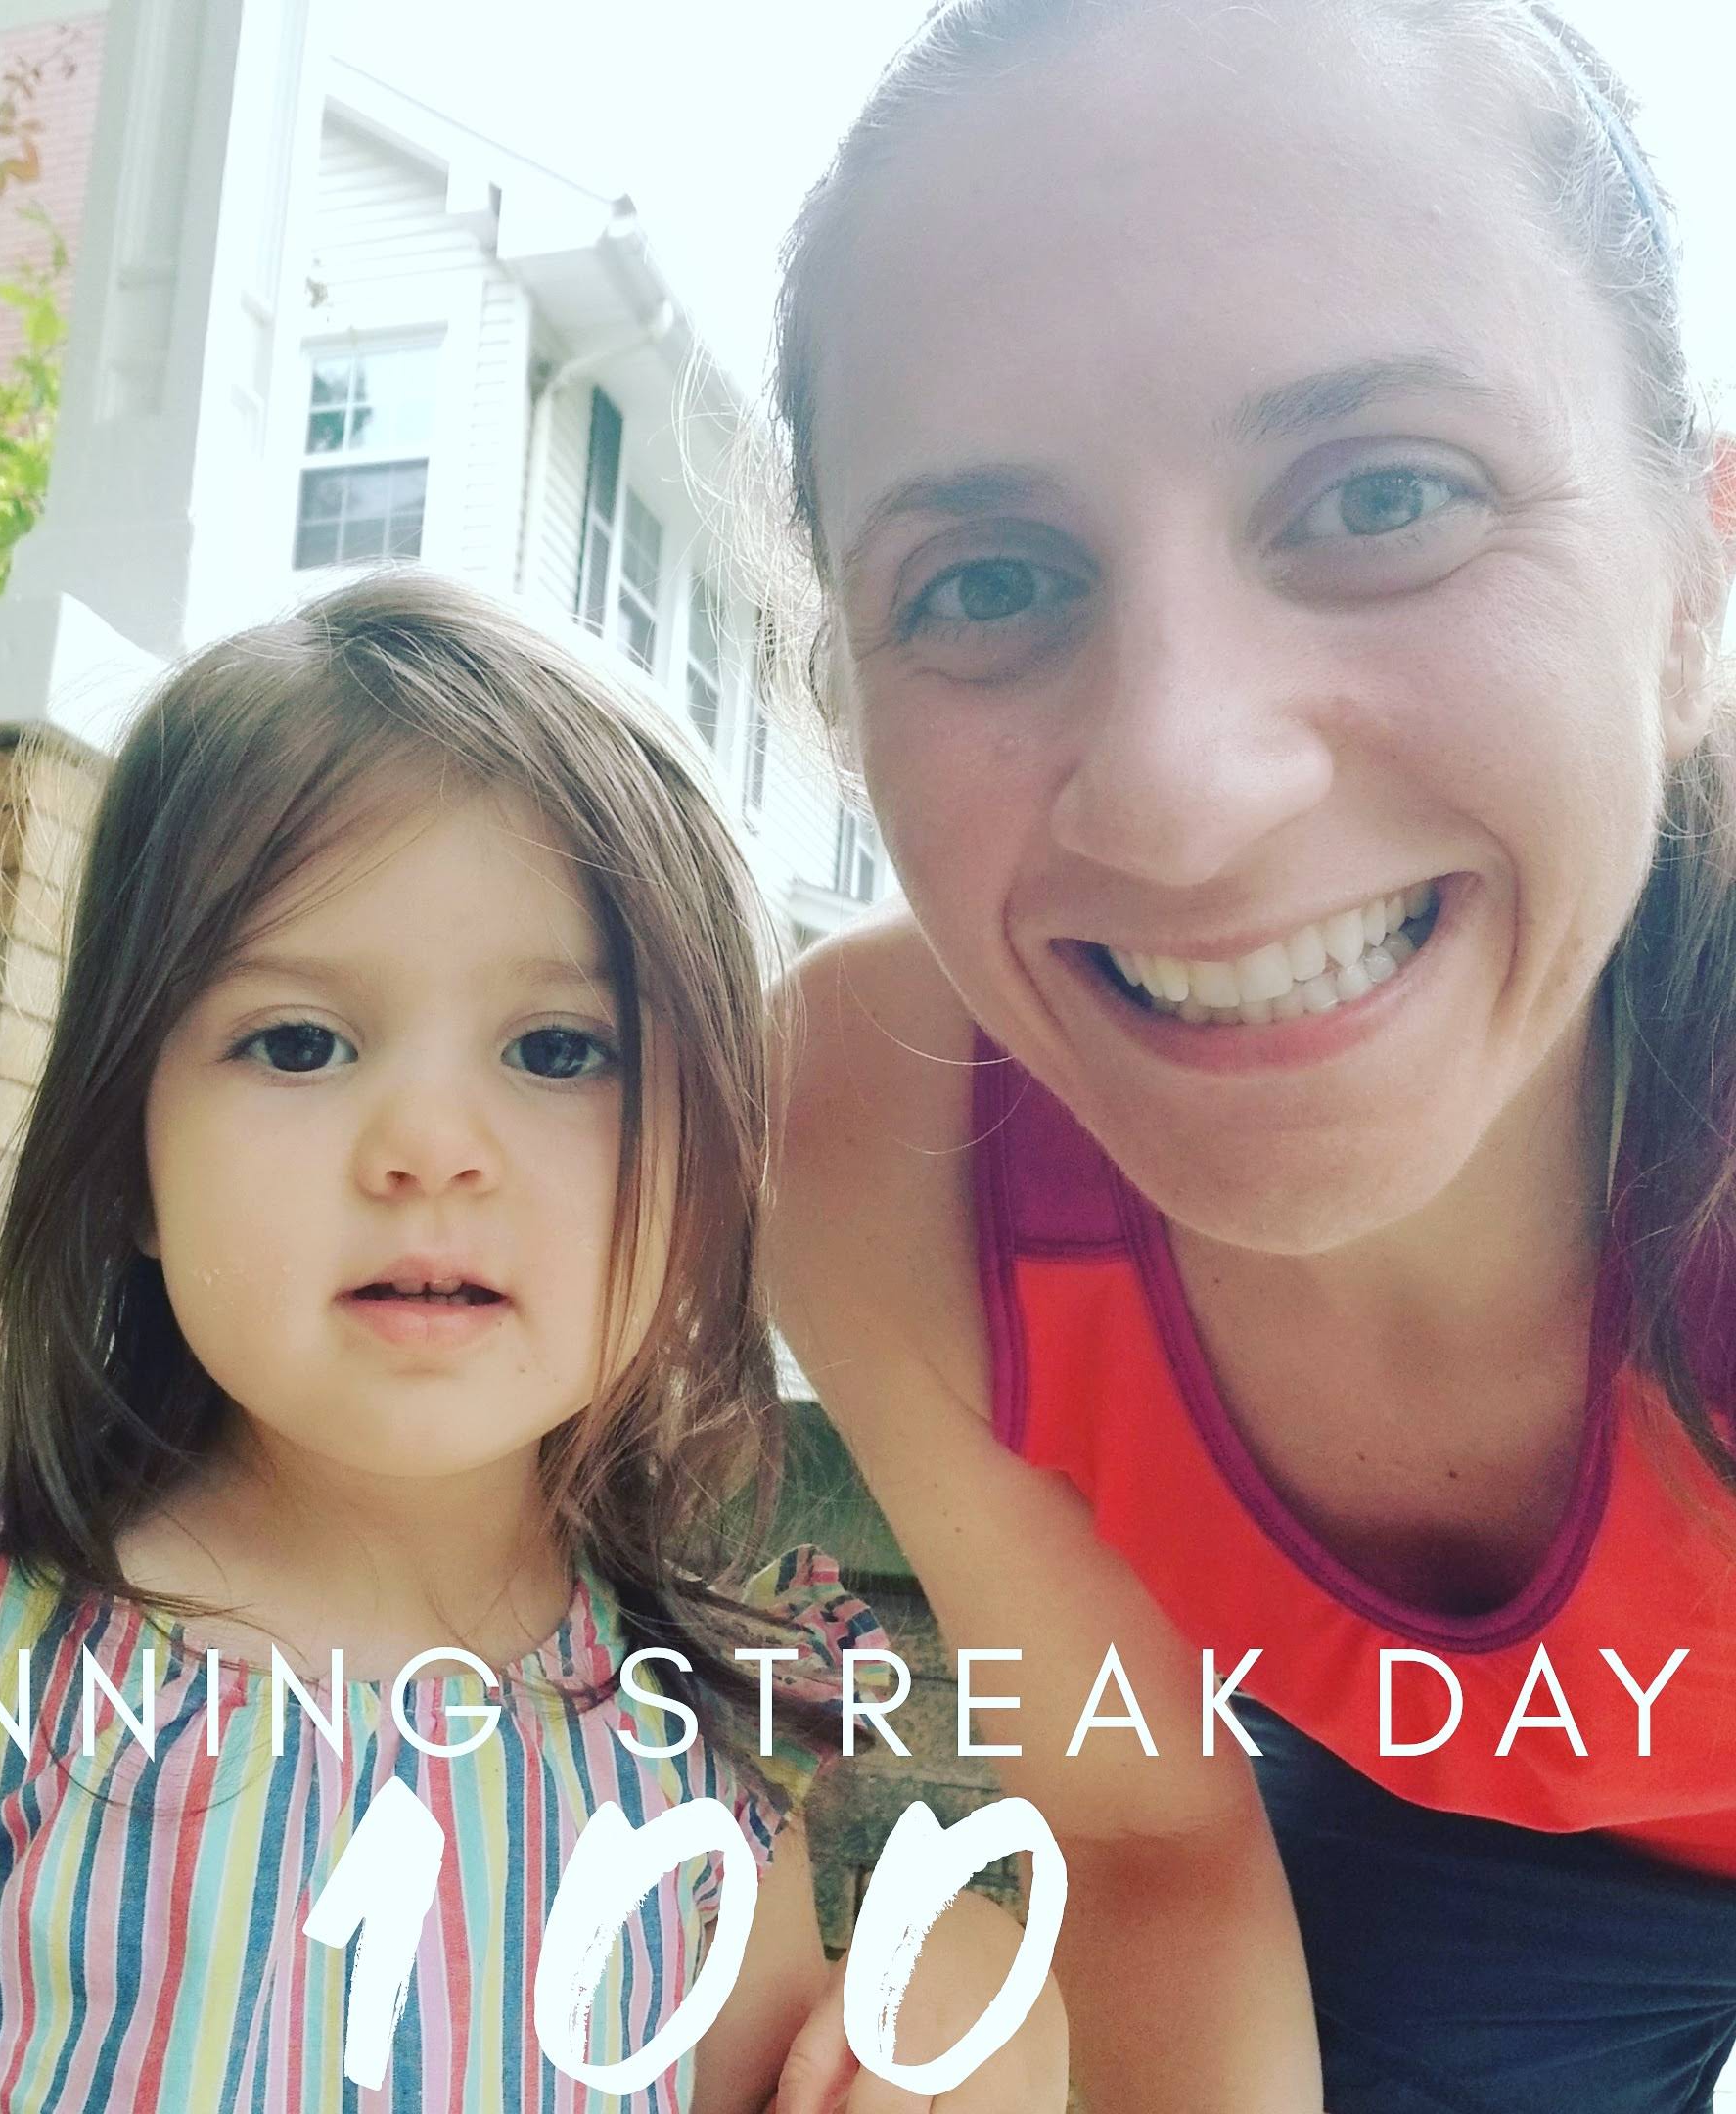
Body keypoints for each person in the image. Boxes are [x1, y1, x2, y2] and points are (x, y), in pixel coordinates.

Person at [0, 572, 1061, 2113]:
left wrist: (981, 2013)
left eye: (559, 1048)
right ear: (128, 1158)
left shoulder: (699, 1732)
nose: (430, 1145)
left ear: (707, 1174)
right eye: (299, 1041)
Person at [761, 2, 1736, 2110]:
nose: (1182, 791)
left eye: (1385, 493)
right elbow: (1142, 1839)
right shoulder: (877, 1136)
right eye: (987, 582)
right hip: (1456, 1856)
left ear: (1692, 585)